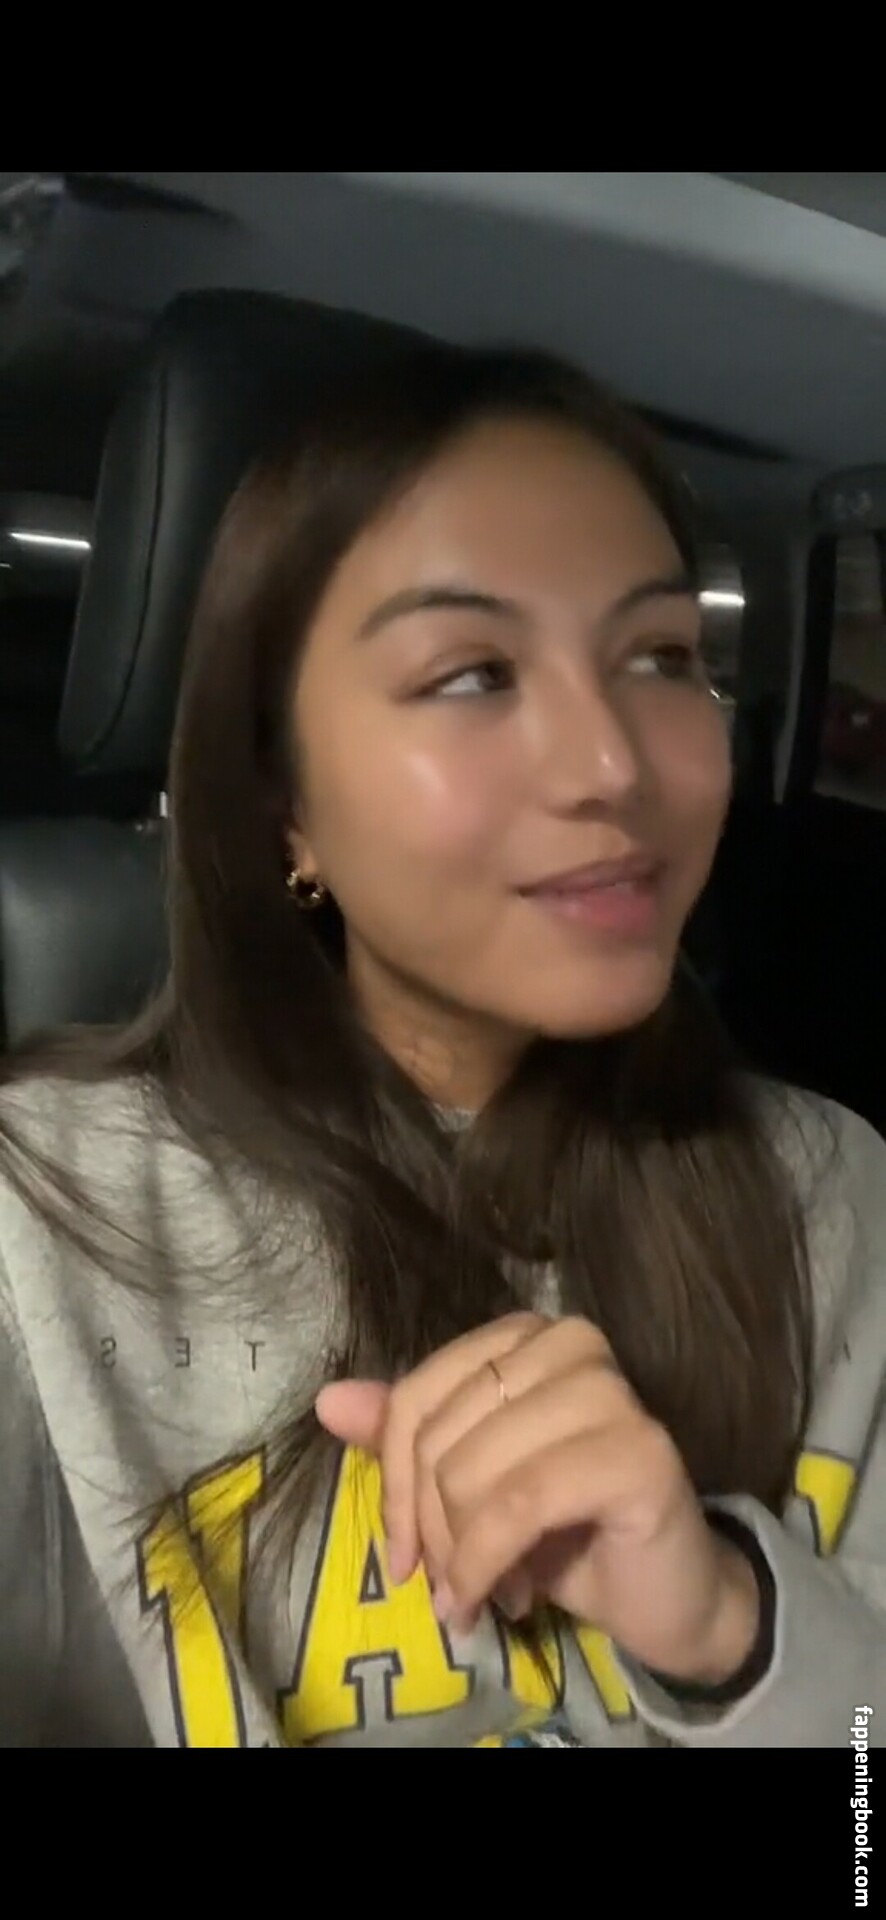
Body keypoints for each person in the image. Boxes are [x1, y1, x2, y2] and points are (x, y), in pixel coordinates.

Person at [0, 345, 883, 1750]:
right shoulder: (39, 1224)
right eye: (473, 673)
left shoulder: (837, 1196)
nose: (613, 765)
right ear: (283, 805)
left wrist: (738, 1636)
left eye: (662, 657)